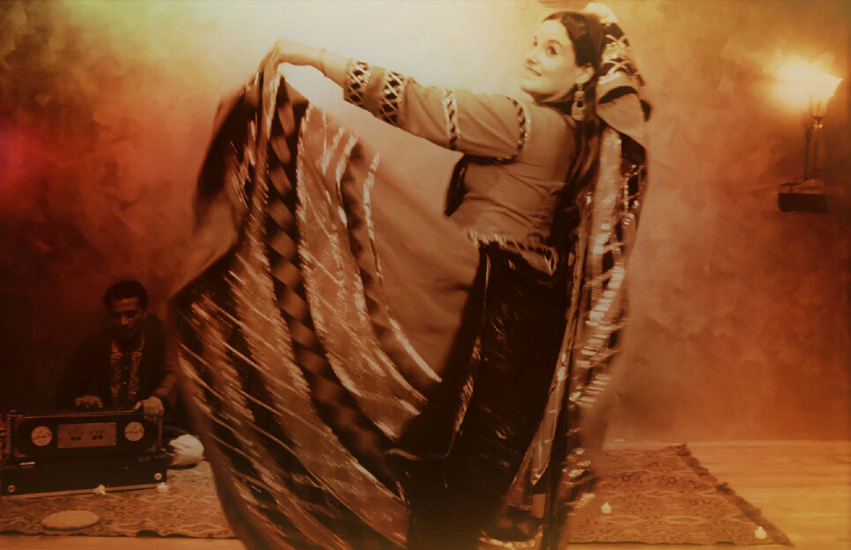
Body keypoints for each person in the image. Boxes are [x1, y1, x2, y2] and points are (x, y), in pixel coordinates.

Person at [177, 3, 648, 549]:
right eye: (534, 43)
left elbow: (421, 104)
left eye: (552, 50)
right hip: (525, 305)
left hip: (491, 304)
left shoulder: (526, 123)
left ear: (585, 73)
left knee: (446, 455)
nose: (533, 56)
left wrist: (316, 57)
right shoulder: (578, 138)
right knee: (468, 460)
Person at [56, 280, 204, 467]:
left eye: (130, 314)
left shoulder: (160, 336)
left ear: (143, 312)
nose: (123, 322)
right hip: (106, 429)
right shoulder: (95, 343)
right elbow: (64, 393)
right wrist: (82, 399)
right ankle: (138, 460)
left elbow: (173, 372)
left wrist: (157, 398)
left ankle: (125, 459)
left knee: (192, 451)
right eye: (116, 316)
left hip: (150, 427)